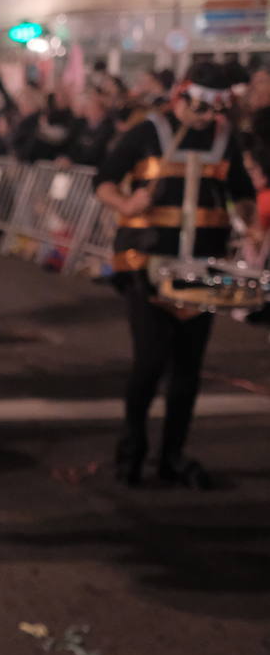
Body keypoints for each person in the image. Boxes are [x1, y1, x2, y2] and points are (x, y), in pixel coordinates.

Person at [95, 62, 256, 488]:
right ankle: (131, 452)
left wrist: (248, 216)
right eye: (201, 109)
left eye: (214, 112)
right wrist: (127, 205)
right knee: (149, 364)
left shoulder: (224, 140)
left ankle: (172, 457)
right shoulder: (146, 132)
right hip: (146, 265)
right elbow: (105, 181)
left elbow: (241, 193)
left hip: (201, 268)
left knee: (187, 370)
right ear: (182, 97)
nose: (207, 119)